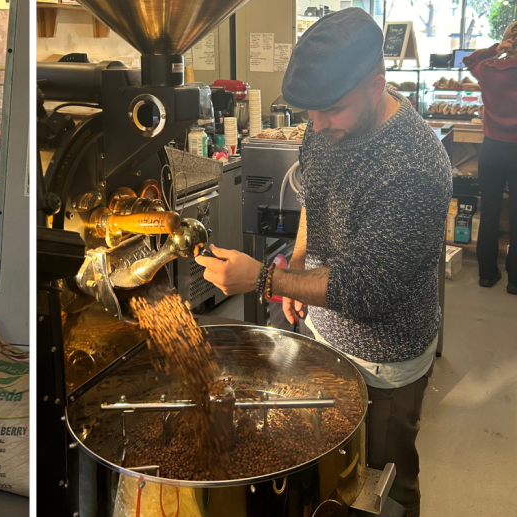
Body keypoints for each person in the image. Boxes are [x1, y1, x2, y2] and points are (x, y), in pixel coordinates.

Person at [195, 9, 451, 517]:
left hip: (385, 358)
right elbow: (316, 196)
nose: (315, 125)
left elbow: (366, 290)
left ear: (376, 85)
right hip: (321, 334)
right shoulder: (323, 124)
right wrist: (295, 263)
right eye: (308, 113)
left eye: (329, 111)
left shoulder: (414, 167)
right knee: (324, 476)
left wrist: (265, 277)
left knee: (381, 488)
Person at [463, 21, 517, 293]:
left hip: (492, 149)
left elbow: (468, 59)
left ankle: (486, 274)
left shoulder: (488, 70)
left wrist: (497, 49)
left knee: (490, 211)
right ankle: (516, 281)